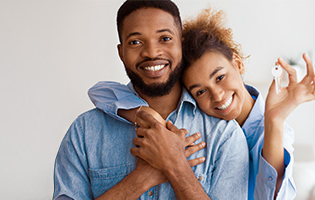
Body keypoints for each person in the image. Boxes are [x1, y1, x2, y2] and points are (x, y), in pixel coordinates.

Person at [89, 9, 315, 200]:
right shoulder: (198, 118)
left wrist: (275, 120)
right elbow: (100, 92)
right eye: (200, 90)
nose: (218, 96)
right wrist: (146, 114)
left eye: (220, 77)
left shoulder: (269, 131)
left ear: (238, 63)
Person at [53, 1, 249, 199]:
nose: (152, 53)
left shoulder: (224, 135)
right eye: (136, 42)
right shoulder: (85, 132)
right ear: (121, 53)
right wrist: (142, 178)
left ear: (180, 44)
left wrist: (175, 165)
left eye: (164, 38)